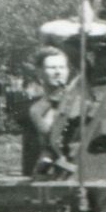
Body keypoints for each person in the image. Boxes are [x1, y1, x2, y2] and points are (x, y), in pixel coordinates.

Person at [20, 46, 70, 175]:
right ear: (39, 72)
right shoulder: (31, 106)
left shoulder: (77, 101)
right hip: (37, 174)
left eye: (62, 67)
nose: (58, 72)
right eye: (52, 68)